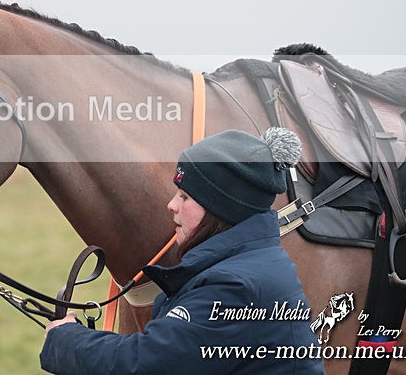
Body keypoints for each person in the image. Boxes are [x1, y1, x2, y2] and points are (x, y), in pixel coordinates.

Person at [40, 128, 325, 374]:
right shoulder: (244, 265)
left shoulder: (235, 287)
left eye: (185, 197)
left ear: (220, 209)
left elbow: (149, 363)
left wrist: (65, 339)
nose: (172, 205)